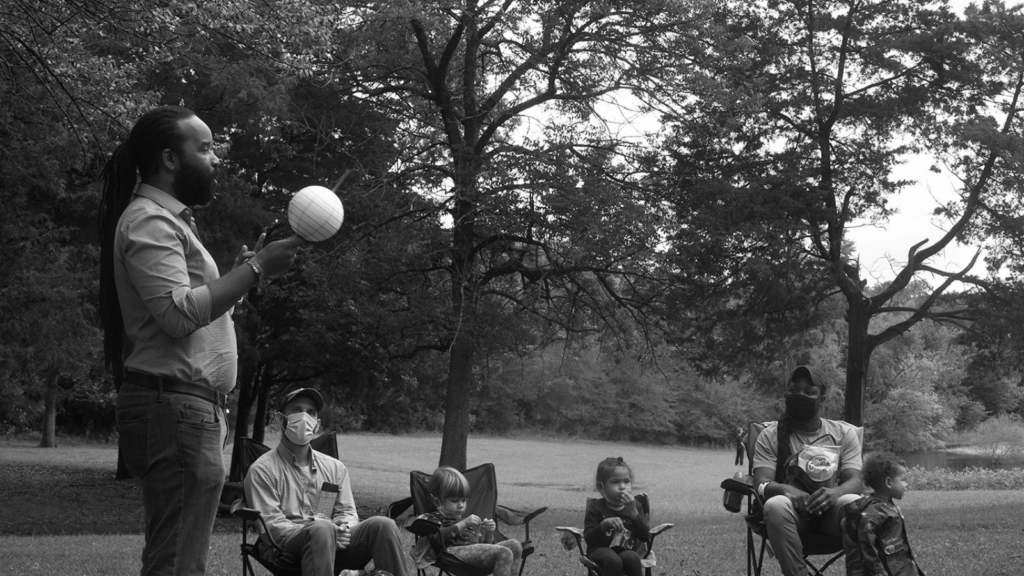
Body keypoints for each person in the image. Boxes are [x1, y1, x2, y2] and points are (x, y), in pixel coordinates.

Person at [98, 105, 304, 576]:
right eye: (206, 148)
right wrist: (254, 269)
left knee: (178, 557)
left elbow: (192, 310)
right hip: (174, 410)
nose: (216, 159)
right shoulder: (151, 221)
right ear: (171, 159)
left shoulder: (170, 222)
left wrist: (239, 277)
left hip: (183, 410)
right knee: (177, 563)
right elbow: (176, 315)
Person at [243, 388, 408, 576]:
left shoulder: (335, 468)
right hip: (287, 550)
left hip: (337, 543)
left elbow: (346, 511)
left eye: (311, 412)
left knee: (383, 525)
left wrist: (342, 529)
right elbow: (272, 526)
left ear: (317, 424)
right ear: (281, 420)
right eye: (296, 410)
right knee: (322, 528)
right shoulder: (262, 470)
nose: (304, 417)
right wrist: (325, 531)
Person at [751, 365, 863, 576]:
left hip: (831, 515)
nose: (800, 395)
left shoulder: (845, 434)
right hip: (792, 516)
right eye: (794, 390)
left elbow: (856, 482)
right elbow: (761, 484)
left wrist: (835, 493)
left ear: (822, 399)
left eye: (809, 392)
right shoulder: (770, 435)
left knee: (853, 504)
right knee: (775, 504)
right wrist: (784, 489)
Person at [410, 466, 522, 576]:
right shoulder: (432, 518)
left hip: (473, 552)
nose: (461, 505)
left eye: (464, 501)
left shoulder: (465, 522)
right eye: (454, 501)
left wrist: (489, 532)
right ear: (437, 502)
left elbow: (484, 546)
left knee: (515, 545)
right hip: (452, 552)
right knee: (504, 553)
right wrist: (463, 524)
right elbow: (436, 539)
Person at [842, 453, 925, 576]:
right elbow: (867, 547)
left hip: (900, 565)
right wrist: (878, 571)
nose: (906, 484)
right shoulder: (873, 513)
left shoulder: (887, 506)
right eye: (903, 480)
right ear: (888, 482)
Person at [582, 457, 650, 576]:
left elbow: (644, 536)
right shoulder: (596, 507)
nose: (622, 486)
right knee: (613, 560)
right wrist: (604, 525)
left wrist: (634, 514)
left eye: (626, 481)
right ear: (601, 487)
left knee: (633, 557)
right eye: (615, 482)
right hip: (599, 550)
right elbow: (588, 539)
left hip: (625, 550)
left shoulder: (635, 506)